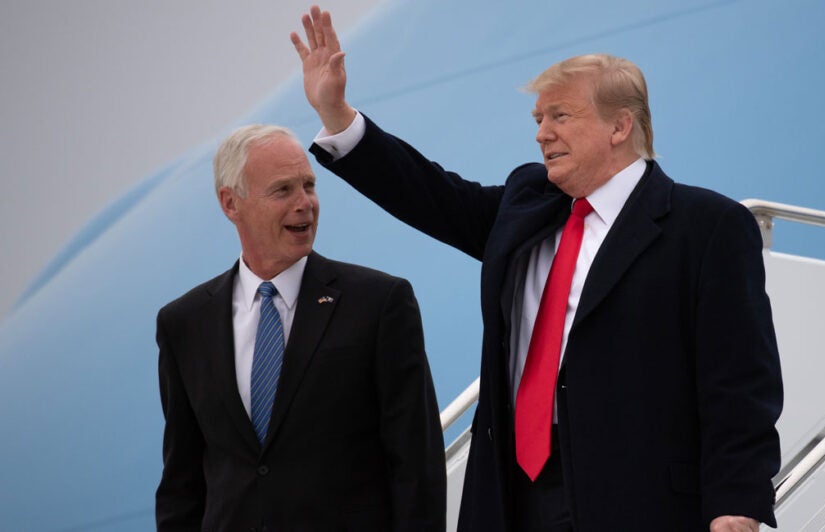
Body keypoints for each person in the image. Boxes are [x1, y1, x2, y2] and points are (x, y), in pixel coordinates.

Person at [292, 6, 783, 531]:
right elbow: (429, 193)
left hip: (642, 501)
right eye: (538, 120)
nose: (541, 134)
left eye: (560, 116)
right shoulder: (527, 207)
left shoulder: (706, 227)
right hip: (514, 500)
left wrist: (737, 504)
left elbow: (738, 381)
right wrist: (339, 116)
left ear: (620, 126)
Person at [154, 124, 446, 531]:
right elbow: (181, 484)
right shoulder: (184, 323)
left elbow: (417, 466)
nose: (304, 203)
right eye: (283, 190)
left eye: (309, 186)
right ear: (230, 203)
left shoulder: (379, 303)